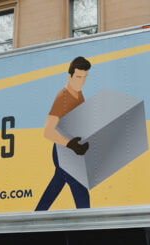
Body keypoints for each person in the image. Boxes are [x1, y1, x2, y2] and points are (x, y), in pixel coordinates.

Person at [35, 56, 92, 211]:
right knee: (79, 187)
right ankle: (88, 225)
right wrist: (70, 145)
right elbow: (48, 130)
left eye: (84, 77)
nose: (81, 81)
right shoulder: (63, 97)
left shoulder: (78, 94)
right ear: (70, 76)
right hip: (63, 150)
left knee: (57, 182)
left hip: (72, 149)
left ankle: (37, 215)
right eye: (78, 77)